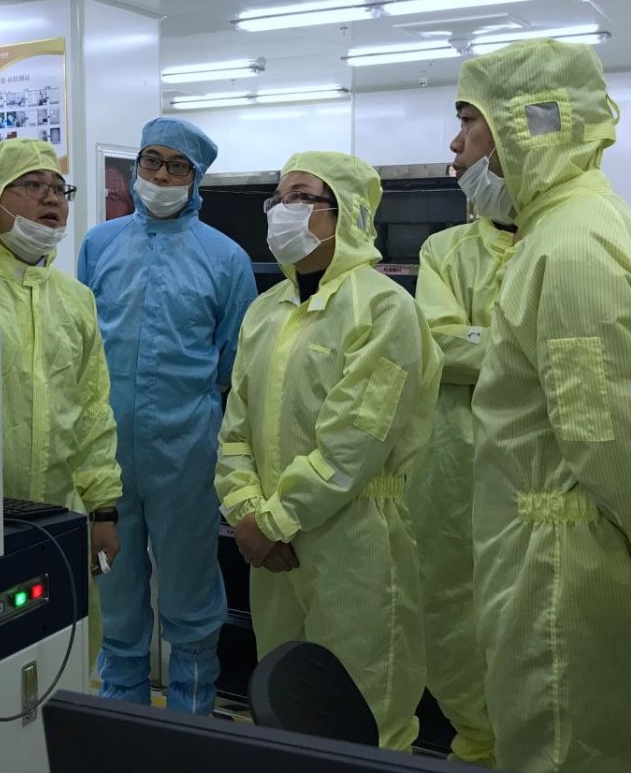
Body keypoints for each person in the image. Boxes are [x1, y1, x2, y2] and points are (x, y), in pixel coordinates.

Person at [455, 39, 631, 773]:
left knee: (561, 750)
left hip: (565, 577)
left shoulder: (570, 249)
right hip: (580, 564)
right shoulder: (584, 226)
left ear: (525, 124)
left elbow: (613, 442)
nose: (456, 146)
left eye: (468, 120)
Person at [216, 151, 439, 752]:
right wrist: (248, 512)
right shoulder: (265, 310)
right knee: (287, 706)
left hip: (354, 541)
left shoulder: (383, 309)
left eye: (302, 197)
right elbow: (235, 431)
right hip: (272, 548)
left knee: (367, 713)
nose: (282, 210)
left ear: (347, 213)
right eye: (278, 198)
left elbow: (354, 443)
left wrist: (272, 521)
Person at [78, 117, 256, 715]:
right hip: (105, 457)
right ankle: (123, 719)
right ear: (136, 165)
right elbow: (84, 348)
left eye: (177, 166)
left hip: (186, 455)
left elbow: (234, 362)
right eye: (151, 160)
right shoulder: (98, 245)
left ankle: (191, 722)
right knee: (115, 592)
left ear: (196, 178)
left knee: (190, 592)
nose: (160, 175)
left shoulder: (226, 259)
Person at [0, 138, 123, 654]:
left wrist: (103, 511)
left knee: (62, 650)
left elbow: (93, 410)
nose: (51, 198)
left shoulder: (75, 300)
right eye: (33, 185)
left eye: (59, 188)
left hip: (60, 516)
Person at [412, 215, 515, 767]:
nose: (461, 169)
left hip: (540, 468)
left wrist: (477, 337)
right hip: (453, 466)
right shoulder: (444, 249)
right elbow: (438, 343)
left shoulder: (568, 240)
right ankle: (478, 739)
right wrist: (527, 343)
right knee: (450, 605)